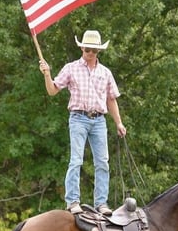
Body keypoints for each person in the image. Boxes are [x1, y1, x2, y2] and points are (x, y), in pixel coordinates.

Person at [39, 29, 127, 216]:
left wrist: (118, 122)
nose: (90, 53)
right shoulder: (71, 68)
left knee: (102, 162)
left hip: (99, 120)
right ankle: (73, 201)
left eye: (94, 51)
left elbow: (111, 99)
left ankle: (101, 203)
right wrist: (47, 74)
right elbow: (53, 90)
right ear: (82, 48)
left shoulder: (105, 72)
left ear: (98, 52)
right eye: (88, 49)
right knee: (76, 159)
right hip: (78, 117)